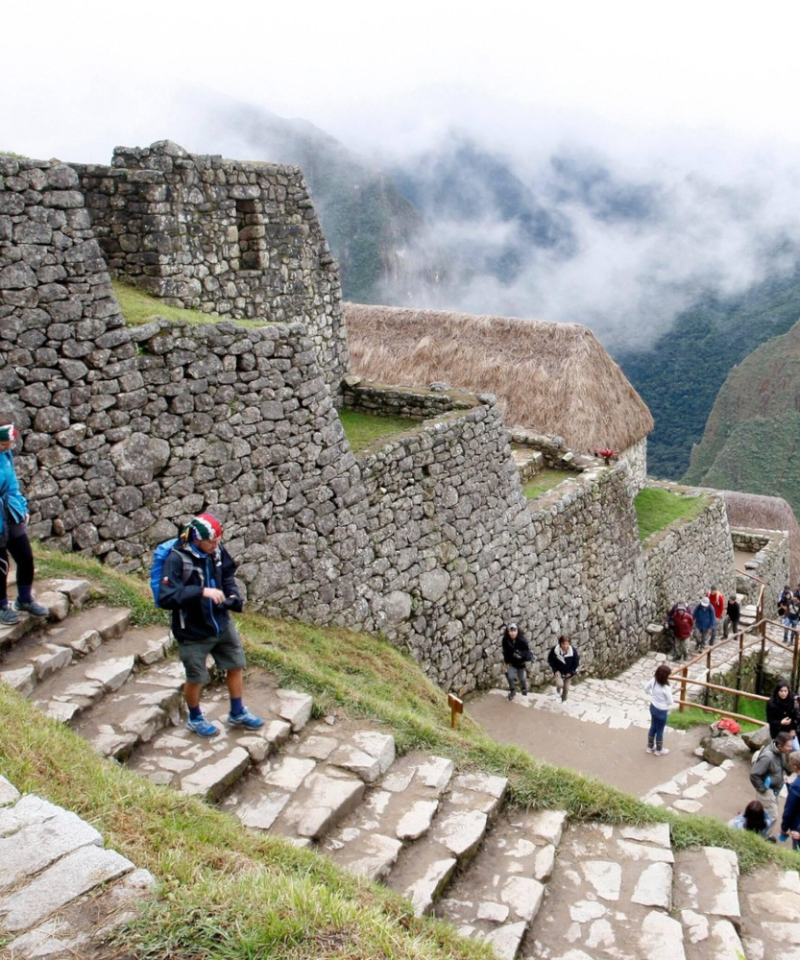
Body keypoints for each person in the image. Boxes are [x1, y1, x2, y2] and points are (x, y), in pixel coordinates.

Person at [158, 512, 264, 738]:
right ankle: (195, 718)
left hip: (221, 622)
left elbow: (227, 573)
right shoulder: (177, 559)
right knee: (196, 677)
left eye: (218, 541)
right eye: (211, 541)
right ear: (196, 538)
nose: (216, 545)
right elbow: (166, 597)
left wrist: (232, 595)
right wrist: (201, 592)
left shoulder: (215, 551)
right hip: (193, 630)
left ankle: (237, 711)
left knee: (236, 664)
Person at [0, 422, 49, 625]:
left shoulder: (6, 457)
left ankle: (24, 599)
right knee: (1, 565)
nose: (8, 447)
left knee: (26, 557)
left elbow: (12, 486)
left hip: (9, 514)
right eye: (4, 444)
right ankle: (2, 606)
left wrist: (23, 507)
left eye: (9, 443)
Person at [750, 731, 795, 830]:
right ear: (780, 745)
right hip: (767, 790)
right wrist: (763, 790)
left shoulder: (781, 752)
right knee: (772, 817)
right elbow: (754, 774)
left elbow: (779, 768)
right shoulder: (768, 756)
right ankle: (763, 838)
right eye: (788, 746)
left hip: (775, 789)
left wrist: (783, 775)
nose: (791, 748)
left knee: (762, 814)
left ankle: (756, 832)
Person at [643, 663, 674, 756]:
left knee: (653, 726)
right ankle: (659, 750)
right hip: (662, 710)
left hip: (653, 707)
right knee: (660, 729)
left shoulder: (654, 681)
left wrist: (652, 695)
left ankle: (649, 747)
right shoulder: (666, 687)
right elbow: (670, 701)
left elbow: (645, 689)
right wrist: (665, 703)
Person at [766, 680, 800, 749]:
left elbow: (796, 717)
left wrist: (794, 730)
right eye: (781, 691)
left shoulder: (793, 699)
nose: (783, 693)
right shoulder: (772, 703)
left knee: (797, 749)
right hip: (778, 731)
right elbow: (770, 720)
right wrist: (780, 722)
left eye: (785, 691)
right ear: (777, 691)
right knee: (782, 751)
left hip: (791, 730)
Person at [502, 623, 532, 701]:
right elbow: (505, 652)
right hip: (512, 663)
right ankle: (512, 691)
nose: (513, 633)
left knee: (522, 678)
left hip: (521, 663)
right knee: (510, 677)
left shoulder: (522, 640)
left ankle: (524, 689)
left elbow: (527, 652)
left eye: (514, 631)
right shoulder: (505, 641)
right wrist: (507, 663)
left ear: (517, 631)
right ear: (508, 632)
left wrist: (521, 655)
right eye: (511, 631)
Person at [547, 634, 579, 702]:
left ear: (569, 644)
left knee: (566, 688)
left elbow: (576, 663)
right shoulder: (555, 650)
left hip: (568, 672)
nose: (565, 646)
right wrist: (555, 670)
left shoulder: (573, 651)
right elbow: (550, 659)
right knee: (559, 684)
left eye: (567, 644)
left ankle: (563, 700)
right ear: (560, 643)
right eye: (563, 644)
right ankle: (558, 691)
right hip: (559, 671)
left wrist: (571, 672)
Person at [778, 751, 800, 849]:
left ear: (795, 767)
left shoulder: (796, 786)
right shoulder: (795, 786)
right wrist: (789, 786)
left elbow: (789, 810)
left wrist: (784, 828)